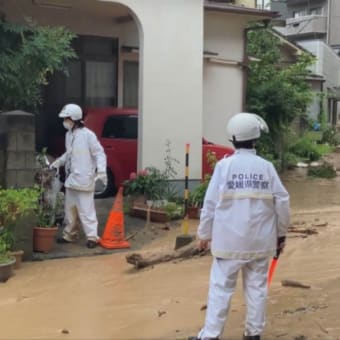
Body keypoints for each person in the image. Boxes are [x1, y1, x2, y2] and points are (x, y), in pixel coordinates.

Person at [189, 113, 290, 340]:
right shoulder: (267, 168)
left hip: (228, 243)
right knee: (257, 289)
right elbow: (283, 202)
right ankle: (253, 334)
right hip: (260, 243)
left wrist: (203, 234)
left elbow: (210, 204)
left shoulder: (224, 167)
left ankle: (210, 335)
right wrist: (280, 235)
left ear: (232, 138)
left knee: (220, 290)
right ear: (255, 139)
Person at [50, 103, 107, 249]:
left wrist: (101, 171)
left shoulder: (88, 135)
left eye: (66, 118)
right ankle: (70, 234)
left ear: (74, 118)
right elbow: (69, 154)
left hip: (84, 179)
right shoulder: (69, 135)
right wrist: (58, 162)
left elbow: (99, 153)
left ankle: (92, 237)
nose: (64, 121)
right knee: (70, 210)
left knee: (86, 210)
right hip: (71, 179)